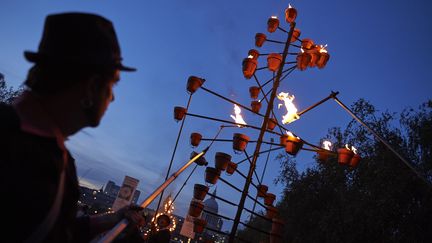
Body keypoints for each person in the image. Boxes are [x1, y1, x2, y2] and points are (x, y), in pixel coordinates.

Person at [0, 12, 145, 242]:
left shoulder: (58, 159)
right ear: (92, 86)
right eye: (112, 85)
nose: (112, 98)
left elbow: (58, 233)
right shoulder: (13, 145)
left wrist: (112, 220)